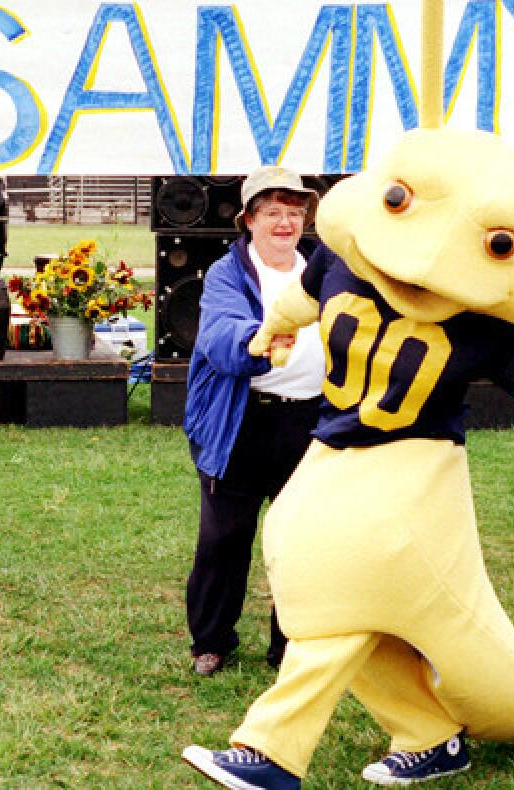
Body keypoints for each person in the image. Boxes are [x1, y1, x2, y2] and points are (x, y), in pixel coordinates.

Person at [182, 166, 327, 676]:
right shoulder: (226, 274)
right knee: (224, 539)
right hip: (239, 422)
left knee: (302, 542)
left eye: (294, 212)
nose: (285, 223)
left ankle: (288, 646)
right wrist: (261, 339)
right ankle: (211, 642)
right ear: (249, 220)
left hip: (310, 424)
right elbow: (220, 336)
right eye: (273, 213)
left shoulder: (324, 271)